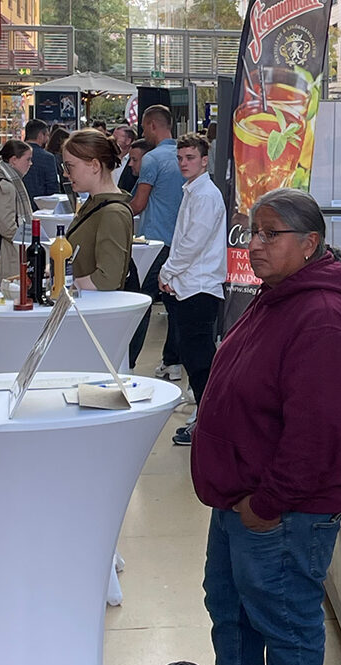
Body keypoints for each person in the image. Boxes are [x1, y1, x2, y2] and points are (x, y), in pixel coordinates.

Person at [193, 188, 341, 665]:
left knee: (289, 627)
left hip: (280, 512)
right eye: (250, 232)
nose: (254, 245)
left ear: (310, 244)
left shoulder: (321, 316)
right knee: (233, 618)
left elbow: (318, 431)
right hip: (240, 500)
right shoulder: (277, 297)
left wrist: (266, 507)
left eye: (270, 234)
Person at [156, 133, 225, 446]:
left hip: (200, 286)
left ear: (204, 160)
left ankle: (209, 419)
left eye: (190, 158)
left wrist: (168, 270)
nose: (184, 163)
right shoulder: (195, 192)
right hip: (192, 285)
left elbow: (193, 243)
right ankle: (206, 415)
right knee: (194, 355)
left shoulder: (205, 195)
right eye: (181, 158)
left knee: (198, 359)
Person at [129, 104, 186, 372]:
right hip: (182, 242)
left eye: (143, 127)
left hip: (154, 243)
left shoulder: (152, 159)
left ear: (152, 125)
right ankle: (173, 361)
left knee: (140, 301)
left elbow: (138, 204)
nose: (143, 132)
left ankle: (127, 360)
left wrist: (112, 209)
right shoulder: (185, 156)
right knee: (175, 303)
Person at [61, 129, 134, 292]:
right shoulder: (95, 204)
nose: (66, 173)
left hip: (92, 311)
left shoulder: (112, 212)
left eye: (70, 166)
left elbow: (107, 278)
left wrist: (67, 285)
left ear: (94, 165)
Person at [0, 140, 34, 282]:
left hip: (10, 248)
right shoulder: (4, 186)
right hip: (6, 251)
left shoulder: (10, 182)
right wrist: (27, 241)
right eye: (28, 159)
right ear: (13, 160)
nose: (30, 164)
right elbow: (7, 227)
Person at [21, 119, 59, 207]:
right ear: (41, 135)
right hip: (40, 207)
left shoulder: (15, 153)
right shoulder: (47, 157)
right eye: (47, 135)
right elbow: (52, 186)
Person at [112, 125, 136, 191]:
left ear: (128, 141)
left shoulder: (134, 161)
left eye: (115, 139)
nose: (112, 142)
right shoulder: (108, 158)